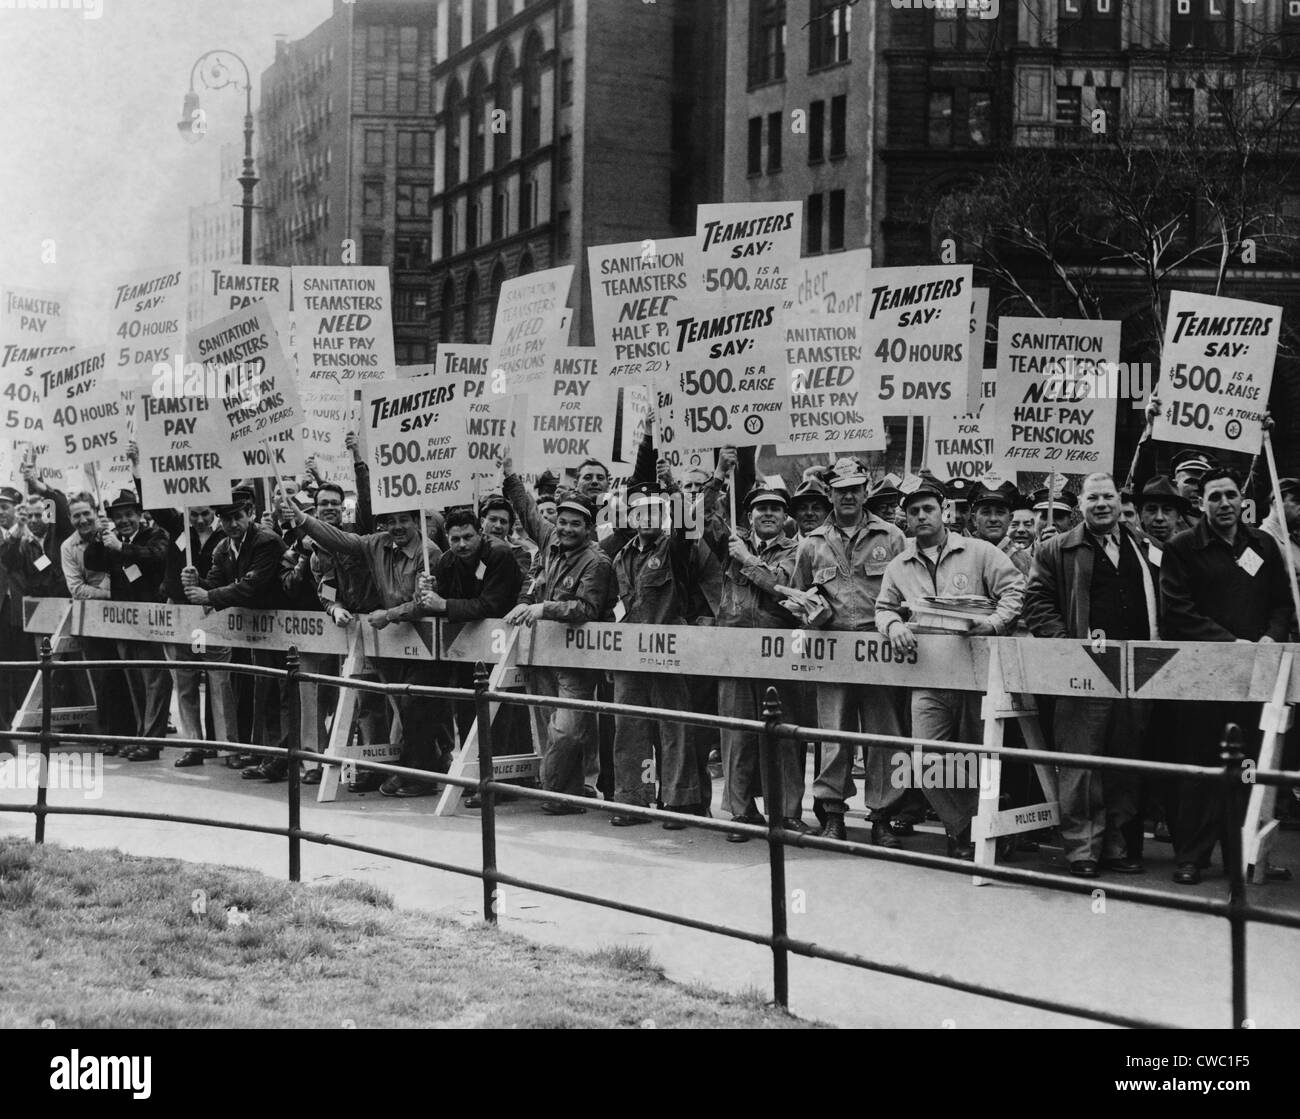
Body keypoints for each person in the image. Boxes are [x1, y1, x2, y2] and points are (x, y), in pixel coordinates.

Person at [876, 479, 1025, 858]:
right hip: (928, 676)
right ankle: (965, 826)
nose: (921, 516)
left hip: (979, 675)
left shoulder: (978, 552)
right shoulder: (899, 565)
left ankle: (978, 833)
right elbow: (883, 608)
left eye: (928, 508)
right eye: (913, 511)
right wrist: (893, 626)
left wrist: (992, 624)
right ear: (905, 518)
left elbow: (1015, 590)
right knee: (926, 760)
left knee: (977, 757)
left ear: (944, 511)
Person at [1160, 468, 1293, 884]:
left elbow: (1282, 603)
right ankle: (1192, 857)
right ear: (1201, 503)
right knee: (1201, 769)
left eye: (1230, 496)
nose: (1223, 504)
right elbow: (1177, 610)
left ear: (1243, 500)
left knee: (1250, 767)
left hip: (1256, 676)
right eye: (1214, 497)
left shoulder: (1264, 545)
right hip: (1204, 677)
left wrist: (1271, 637)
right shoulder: (1183, 548)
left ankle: (1246, 855)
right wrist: (1227, 642)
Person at [1023, 473, 1160, 878]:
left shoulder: (1143, 545)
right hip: (1082, 671)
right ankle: (1083, 849)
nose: (1102, 504)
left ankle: (1115, 845)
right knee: (1081, 764)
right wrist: (1067, 647)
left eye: (1108, 496)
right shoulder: (1055, 549)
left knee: (1123, 760)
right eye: (1093, 498)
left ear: (1119, 500)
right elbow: (1037, 602)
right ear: (1080, 504)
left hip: (1136, 672)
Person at [282, 497, 452, 797]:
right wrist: (302, 519)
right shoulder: (376, 543)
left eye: (404, 520)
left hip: (427, 640)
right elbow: (338, 541)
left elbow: (424, 604)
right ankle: (412, 770)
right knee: (402, 704)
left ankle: (423, 773)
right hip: (391, 639)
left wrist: (389, 615)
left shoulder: (430, 553)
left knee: (419, 706)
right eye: (392, 521)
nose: (397, 527)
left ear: (416, 521)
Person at [786, 457, 907, 844]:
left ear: (866, 490)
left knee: (882, 736)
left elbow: (909, 592)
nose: (849, 496)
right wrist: (808, 613)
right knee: (834, 737)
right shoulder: (812, 543)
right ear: (830, 493)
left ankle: (882, 816)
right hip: (833, 650)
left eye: (855, 488)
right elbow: (797, 597)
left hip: (879, 649)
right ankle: (834, 813)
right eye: (841, 490)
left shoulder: (891, 536)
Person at [702, 476, 805, 839]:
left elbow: (783, 589)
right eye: (761, 507)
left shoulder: (798, 550)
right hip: (735, 650)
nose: (768, 513)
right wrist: (719, 474)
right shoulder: (729, 544)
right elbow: (698, 514)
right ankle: (742, 812)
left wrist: (747, 560)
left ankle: (789, 812)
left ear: (785, 516)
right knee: (736, 733)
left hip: (779, 652)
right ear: (749, 514)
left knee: (785, 732)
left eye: (776, 508)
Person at [503, 492, 616, 811]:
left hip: (577, 659)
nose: (566, 528)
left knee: (565, 729)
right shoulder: (549, 539)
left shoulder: (597, 562)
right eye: (562, 522)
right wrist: (510, 476)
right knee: (552, 725)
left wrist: (542, 609)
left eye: (575, 524)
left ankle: (552, 791)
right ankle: (569, 795)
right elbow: (526, 510)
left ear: (589, 527)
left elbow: (587, 608)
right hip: (544, 653)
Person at [606, 485, 710, 828]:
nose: (647, 517)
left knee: (673, 728)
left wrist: (677, 488)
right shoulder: (621, 556)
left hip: (668, 655)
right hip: (629, 659)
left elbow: (688, 526)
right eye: (640, 511)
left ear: (664, 515)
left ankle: (678, 803)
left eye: (655, 510)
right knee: (629, 729)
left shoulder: (673, 549)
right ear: (631, 517)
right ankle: (633, 801)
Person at [184, 487, 292, 781]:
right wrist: (197, 583)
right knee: (265, 693)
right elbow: (215, 585)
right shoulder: (223, 549)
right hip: (256, 631)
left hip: (285, 624)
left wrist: (207, 595)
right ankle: (270, 756)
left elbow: (249, 587)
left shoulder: (266, 541)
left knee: (285, 694)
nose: (232, 524)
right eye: (226, 518)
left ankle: (285, 759)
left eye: (237, 517)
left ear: (250, 515)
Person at [416, 506, 524, 759]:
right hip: (465, 647)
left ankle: (497, 780)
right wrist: (427, 589)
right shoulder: (446, 560)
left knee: (498, 712)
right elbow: (432, 603)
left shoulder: (499, 554)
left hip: (501, 644)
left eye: (468, 537)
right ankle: (472, 773)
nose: (462, 544)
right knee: (466, 709)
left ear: (480, 533)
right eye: (455, 539)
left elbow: (491, 604)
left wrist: (443, 604)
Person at [84, 488, 171, 761]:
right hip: (124, 622)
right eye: (119, 516)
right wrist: (99, 539)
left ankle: (152, 741)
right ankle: (140, 737)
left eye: (129, 515)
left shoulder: (154, 536)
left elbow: (156, 557)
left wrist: (122, 548)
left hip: (150, 621)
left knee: (155, 681)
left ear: (139, 515)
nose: (124, 521)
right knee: (135, 681)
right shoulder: (111, 540)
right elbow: (92, 562)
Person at [967, 479, 1030, 576]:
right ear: (974, 519)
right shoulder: (962, 555)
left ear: (1010, 519)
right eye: (986, 512)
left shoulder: (1025, 560)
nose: (993, 519)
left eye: (1000, 512)